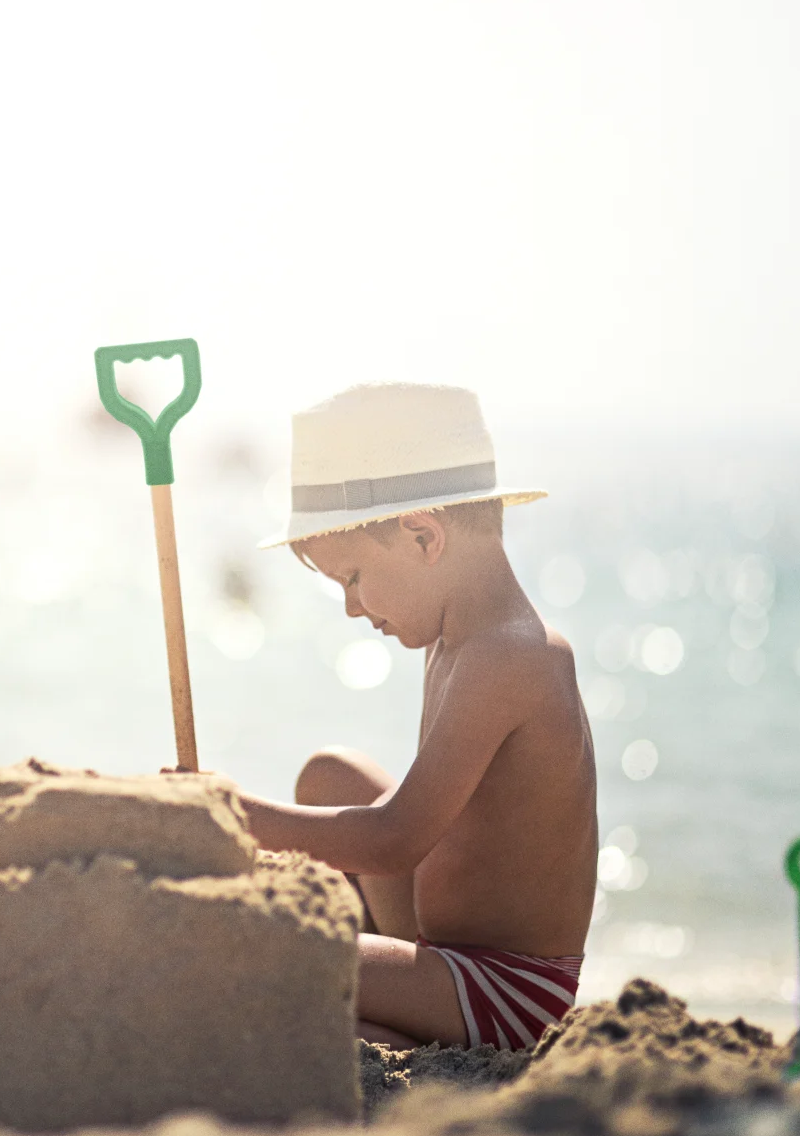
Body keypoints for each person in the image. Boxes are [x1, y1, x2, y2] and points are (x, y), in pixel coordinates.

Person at [234, 383, 597, 1050]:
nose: (351, 607)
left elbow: (396, 840)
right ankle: (372, 998)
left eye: (352, 578)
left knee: (275, 953)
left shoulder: (512, 656)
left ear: (425, 536)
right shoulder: (452, 638)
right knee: (330, 776)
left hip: (502, 989)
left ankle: (380, 1021)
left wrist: (231, 813)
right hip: (441, 941)